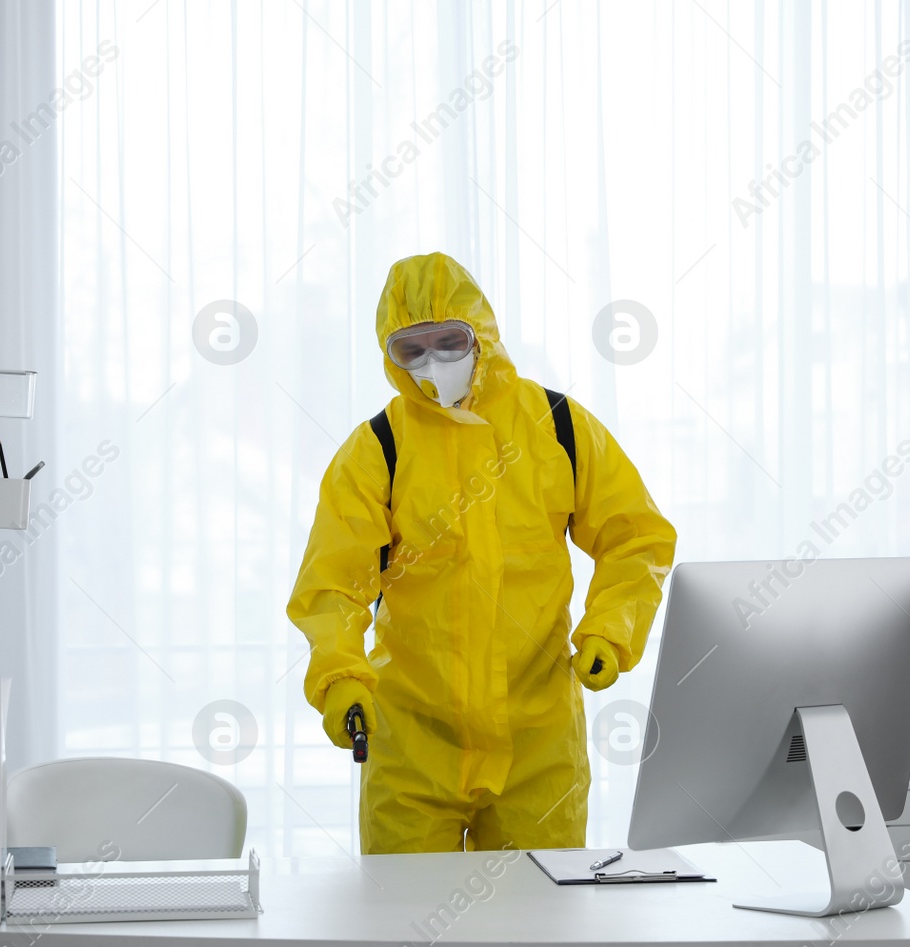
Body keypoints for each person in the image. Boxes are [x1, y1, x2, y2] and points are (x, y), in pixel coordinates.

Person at [287, 252, 677, 854]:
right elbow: (334, 582)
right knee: (406, 934)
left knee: (534, 935)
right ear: (389, 357)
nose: (433, 362)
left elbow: (637, 537)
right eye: (410, 349)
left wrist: (610, 631)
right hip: (413, 748)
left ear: (482, 334)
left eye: (449, 340)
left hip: (537, 744)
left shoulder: (559, 426)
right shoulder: (378, 450)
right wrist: (339, 675)